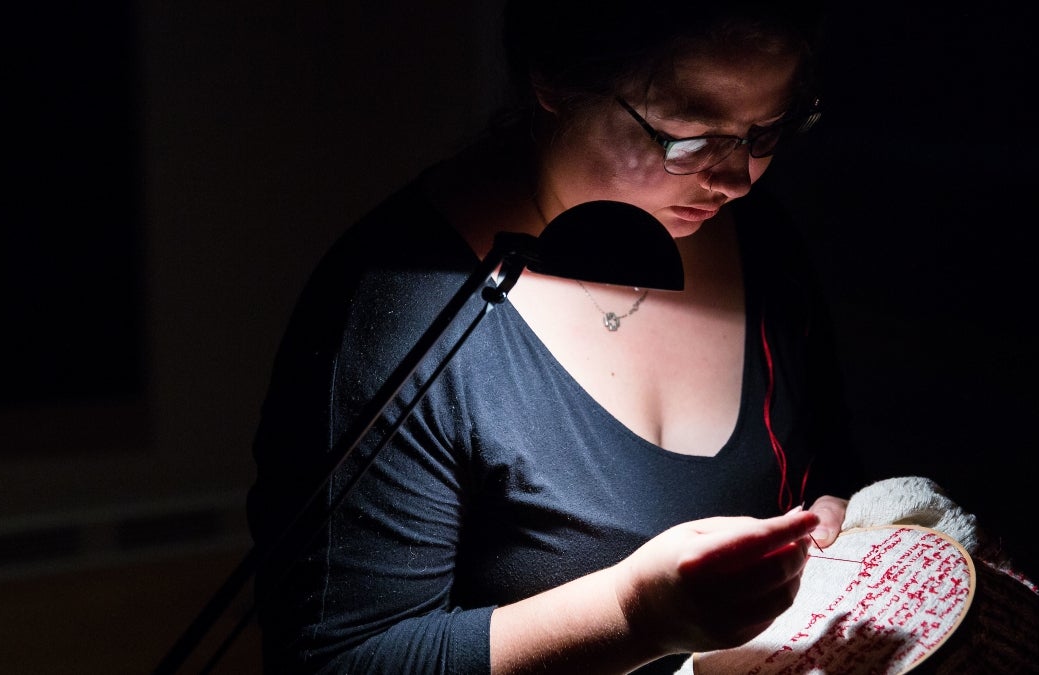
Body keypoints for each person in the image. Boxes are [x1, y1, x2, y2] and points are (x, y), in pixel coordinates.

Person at [246, 1, 869, 673]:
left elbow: (828, 472)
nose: (733, 180)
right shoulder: (397, 316)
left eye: (764, 134)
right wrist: (634, 615)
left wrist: (845, 524)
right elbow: (337, 661)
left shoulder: (762, 240)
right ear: (554, 82)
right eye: (685, 137)